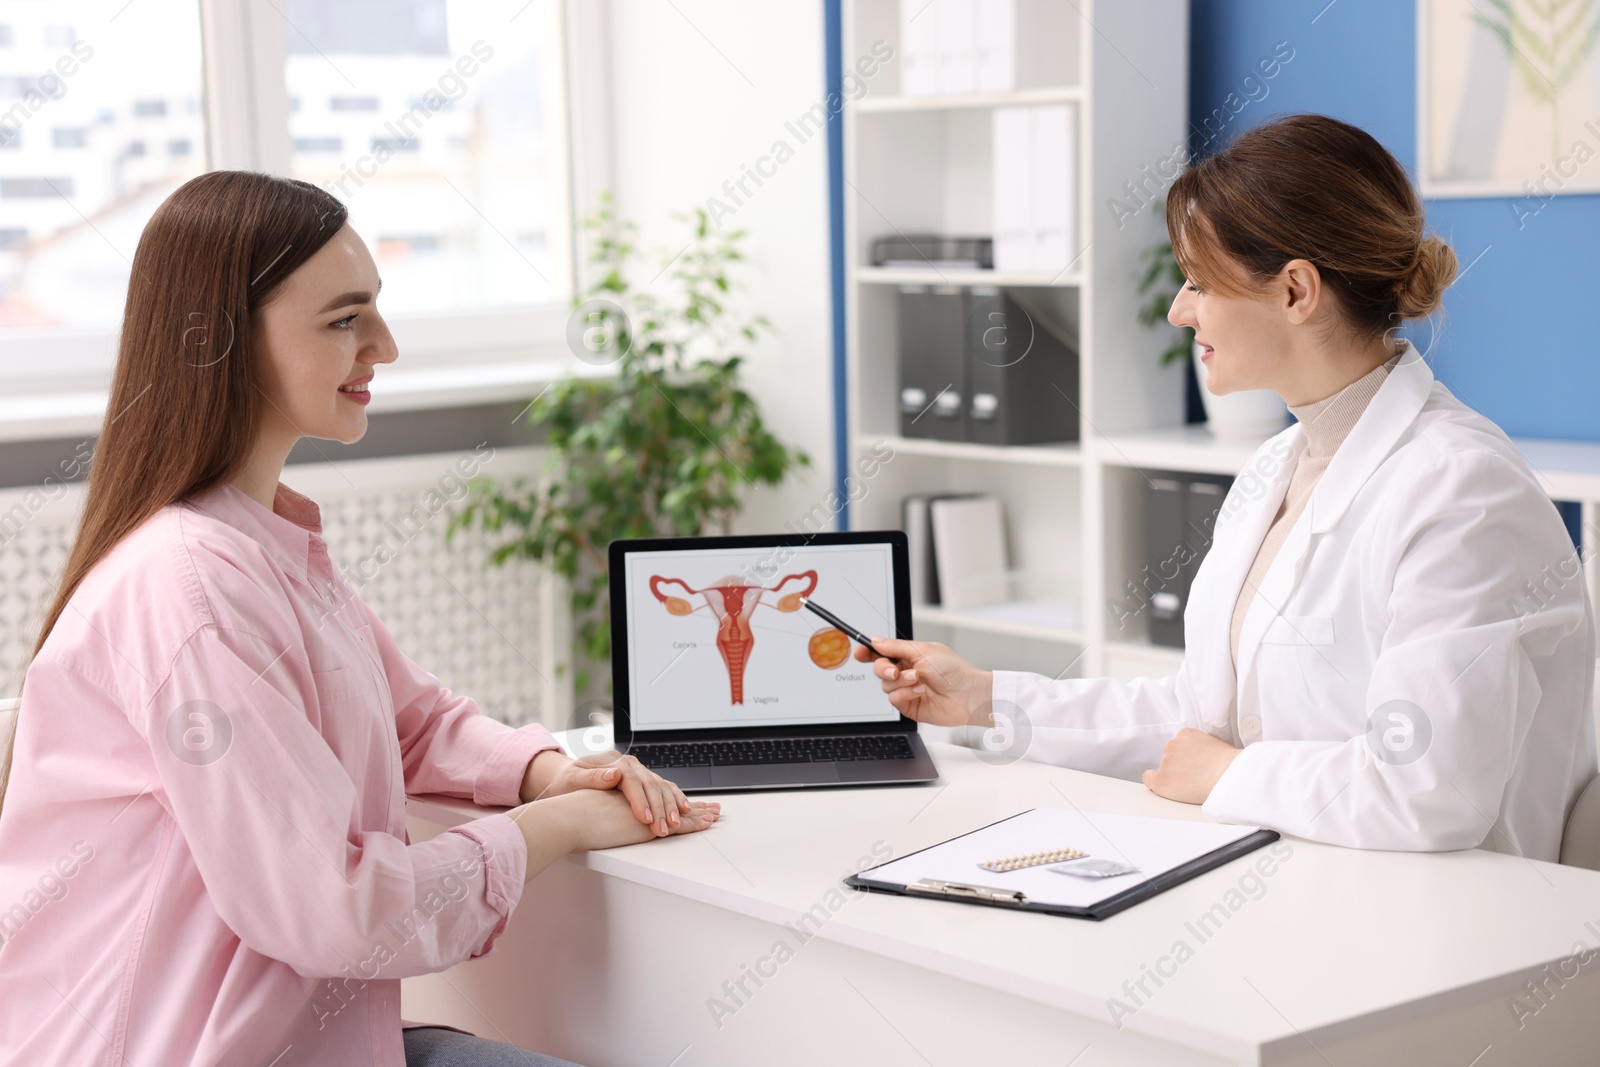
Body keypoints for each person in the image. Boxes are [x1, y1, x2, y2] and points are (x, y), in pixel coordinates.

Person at [0, 171, 719, 1066]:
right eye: (345, 320)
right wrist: (554, 827)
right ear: (221, 343)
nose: (384, 344)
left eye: (373, 310)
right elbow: (334, 910)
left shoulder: (262, 545)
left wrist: (543, 770)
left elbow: (411, 717)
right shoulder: (191, 591)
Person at [858, 114, 1596, 862]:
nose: (1180, 310)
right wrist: (986, 697)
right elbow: (1201, 718)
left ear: (1296, 291)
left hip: (1454, 928)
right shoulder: (1277, 464)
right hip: (1295, 869)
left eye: (1200, 283)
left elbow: (1429, 790)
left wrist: (1234, 773)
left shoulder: (1463, 491)